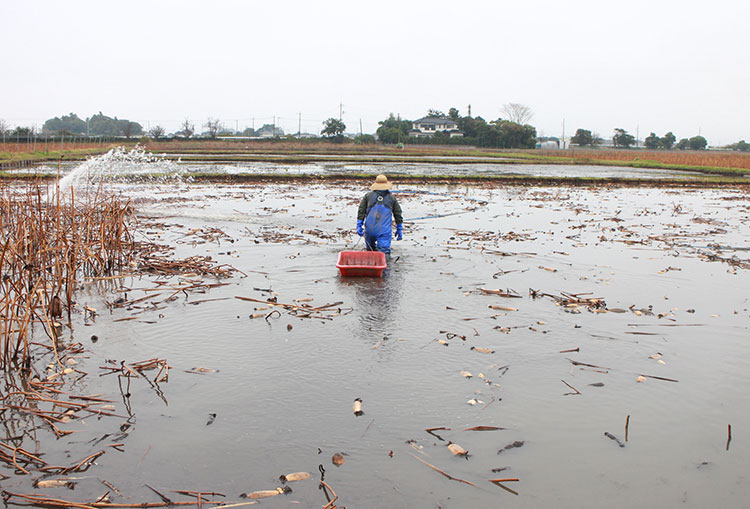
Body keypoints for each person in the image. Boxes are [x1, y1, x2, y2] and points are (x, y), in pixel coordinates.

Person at [356, 174, 403, 254]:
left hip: (369, 230)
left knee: (370, 252)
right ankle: (387, 266)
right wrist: (399, 228)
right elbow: (398, 213)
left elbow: (361, 211)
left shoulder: (368, 196)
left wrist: (359, 225)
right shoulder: (391, 198)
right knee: (384, 254)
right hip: (384, 231)